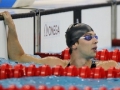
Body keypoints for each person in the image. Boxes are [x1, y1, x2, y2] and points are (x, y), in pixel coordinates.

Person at [0, 11, 119, 70]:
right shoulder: (54, 64)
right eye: (88, 37)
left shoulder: (109, 66)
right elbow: (18, 57)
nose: (95, 41)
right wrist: (11, 27)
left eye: (95, 37)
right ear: (74, 45)